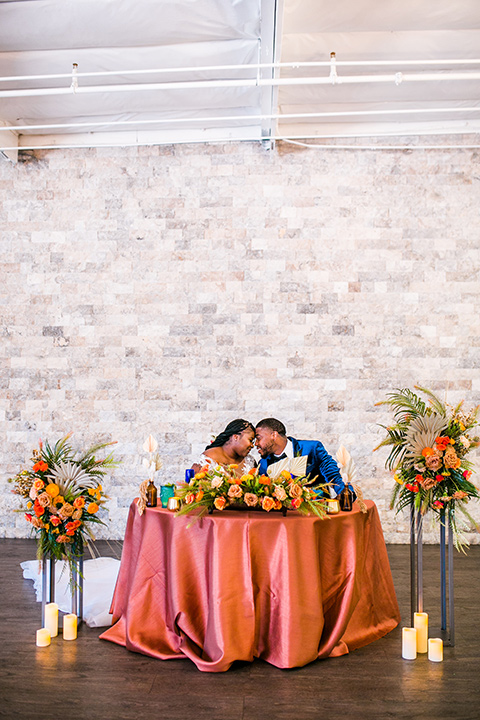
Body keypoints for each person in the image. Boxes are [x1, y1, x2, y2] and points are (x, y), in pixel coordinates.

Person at [255, 417, 354, 498]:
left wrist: (346, 495)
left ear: (274, 435)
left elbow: (333, 475)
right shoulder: (263, 464)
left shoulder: (312, 448)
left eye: (258, 438)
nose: (256, 444)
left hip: (316, 514)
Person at [191, 419, 256, 476]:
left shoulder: (249, 461)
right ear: (236, 437)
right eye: (250, 440)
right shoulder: (208, 459)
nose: (252, 445)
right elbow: (192, 486)